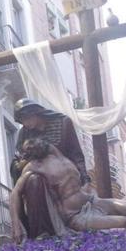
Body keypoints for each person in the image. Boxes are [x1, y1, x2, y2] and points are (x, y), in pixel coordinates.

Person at [10, 139, 126, 241]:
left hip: (92, 201)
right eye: (28, 148)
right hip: (77, 217)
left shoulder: (58, 154)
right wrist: (16, 225)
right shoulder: (34, 167)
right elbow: (15, 194)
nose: (32, 147)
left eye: (33, 144)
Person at [10, 98, 90, 239]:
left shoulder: (63, 123)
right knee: (34, 181)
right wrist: (19, 165)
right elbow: (19, 158)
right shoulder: (24, 133)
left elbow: (76, 153)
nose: (25, 124)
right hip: (40, 177)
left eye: (27, 119)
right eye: (22, 121)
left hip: (63, 178)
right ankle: (42, 233)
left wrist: (84, 177)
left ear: (35, 112)